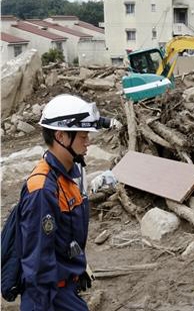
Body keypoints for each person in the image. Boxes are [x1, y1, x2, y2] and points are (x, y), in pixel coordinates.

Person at [17, 94, 116, 310]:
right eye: (83, 137)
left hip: (65, 287)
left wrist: (79, 268)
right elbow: (37, 264)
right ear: (61, 136)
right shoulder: (43, 190)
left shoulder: (69, 175)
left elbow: (64, 237)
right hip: (49, 296)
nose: (88, 142)